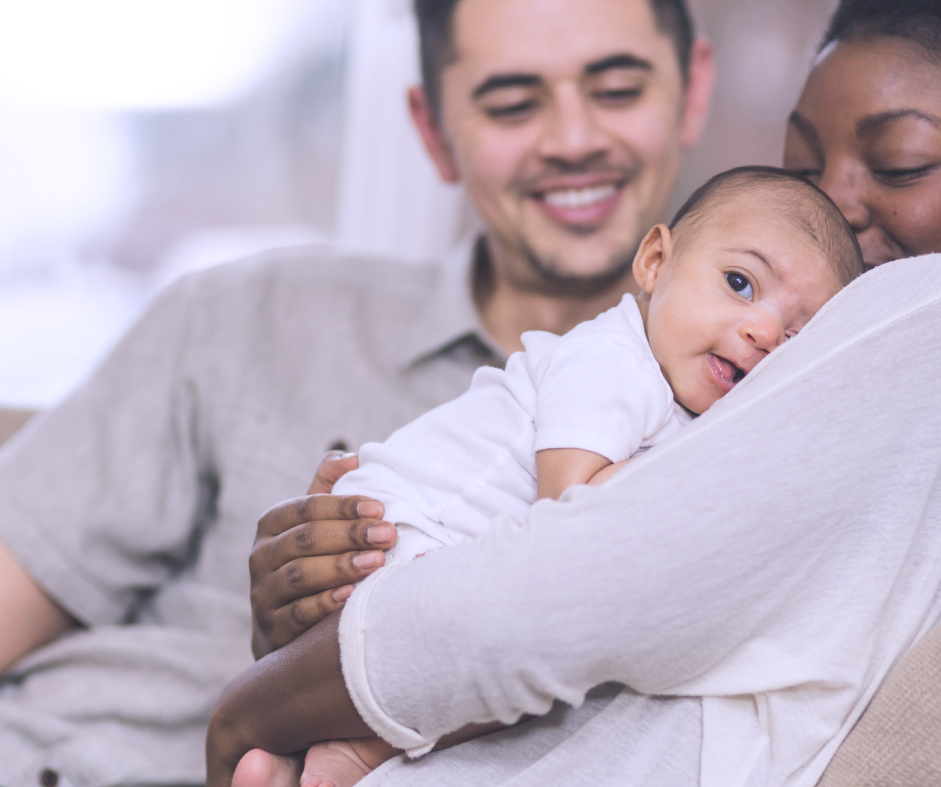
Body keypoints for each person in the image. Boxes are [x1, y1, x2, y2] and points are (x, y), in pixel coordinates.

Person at [0, 0, 716, 786]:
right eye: (511, 101)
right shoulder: (252, 315)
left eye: (616, 86)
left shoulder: (748, 423)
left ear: (692, 90)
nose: (575, 136)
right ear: (433, 131)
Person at [225, 0, 941, 787]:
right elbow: (544, 573)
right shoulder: (738, 369)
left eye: (898, 164)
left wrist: (259, 705)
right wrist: (340, 588)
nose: (836, 206)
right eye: (804, 166)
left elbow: (560, 587)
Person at [293, 167, 860, 784]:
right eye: (740, 283)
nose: (765, 331)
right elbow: (572, 506)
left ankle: (341, 744)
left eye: (798, 337)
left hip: (437, 562)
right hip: (398, 533)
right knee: (551, 648)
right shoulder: (614, 360)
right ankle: (364, 747)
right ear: (655, 261)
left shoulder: (679, 402)